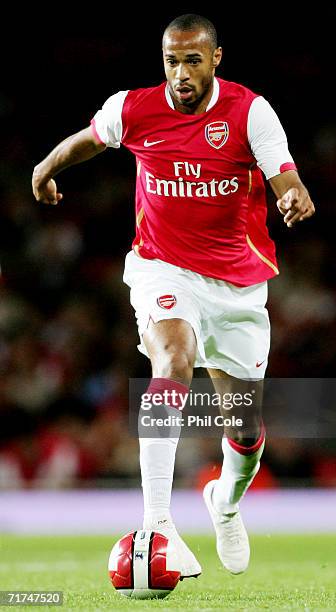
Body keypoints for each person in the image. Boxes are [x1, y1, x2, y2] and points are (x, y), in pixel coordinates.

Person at [32, 14, 315, 578]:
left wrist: (293, 196)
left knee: (243, 427)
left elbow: (283, 170)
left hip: (237, 285)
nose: (180, 72)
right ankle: (157, 521)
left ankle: (225, 505)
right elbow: (89, 141)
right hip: (164, 269)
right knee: (172, 359)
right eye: (170, 60)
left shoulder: (248, 112)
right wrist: (44, 168)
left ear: (215, 59)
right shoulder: (135, 108)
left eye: (192, 60)